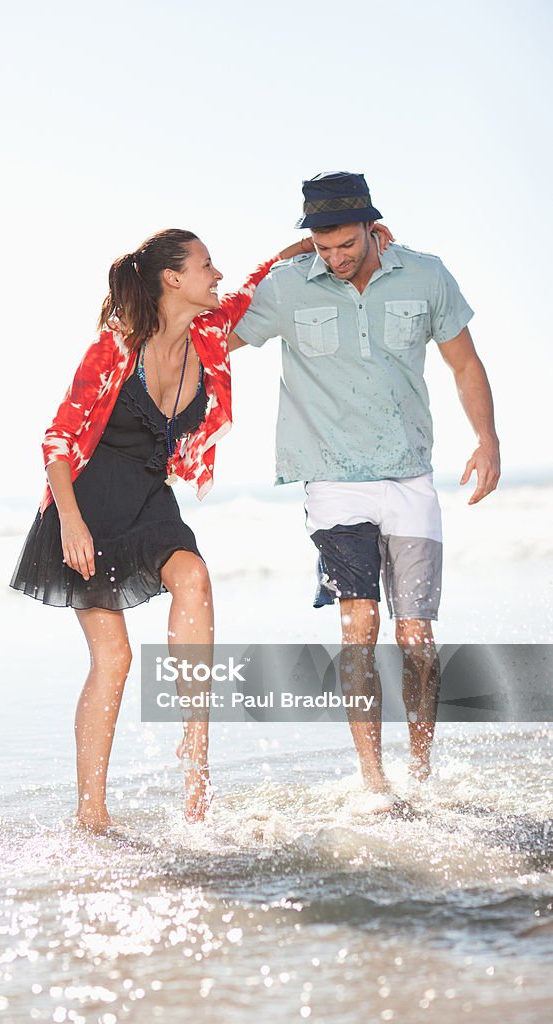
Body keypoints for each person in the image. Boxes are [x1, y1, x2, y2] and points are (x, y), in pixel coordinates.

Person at [9, 228, 317, 833]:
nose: (216, 274)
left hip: (152, 498)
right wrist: (68, 519)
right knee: (115, 658)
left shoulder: (206, 336)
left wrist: (294, 251)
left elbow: (250, 291)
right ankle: (91, 812)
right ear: (173, 279)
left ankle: (194, 752)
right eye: (206, 265)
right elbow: (58, 440)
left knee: (195, 578)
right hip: (88, 508)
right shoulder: (115, 348)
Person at [229, 172, 500, 806]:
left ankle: (423, 770)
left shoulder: (426, 274)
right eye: (322, 247)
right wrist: (275, 263)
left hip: (410, 475)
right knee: (360, 626)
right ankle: (374, 778)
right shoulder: (287, 288)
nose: (335, 257)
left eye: (346, 243)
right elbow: (218, 336)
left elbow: (464, 361)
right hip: (331, 482)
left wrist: (486, 439)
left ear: (373, 227)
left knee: (417, 637)